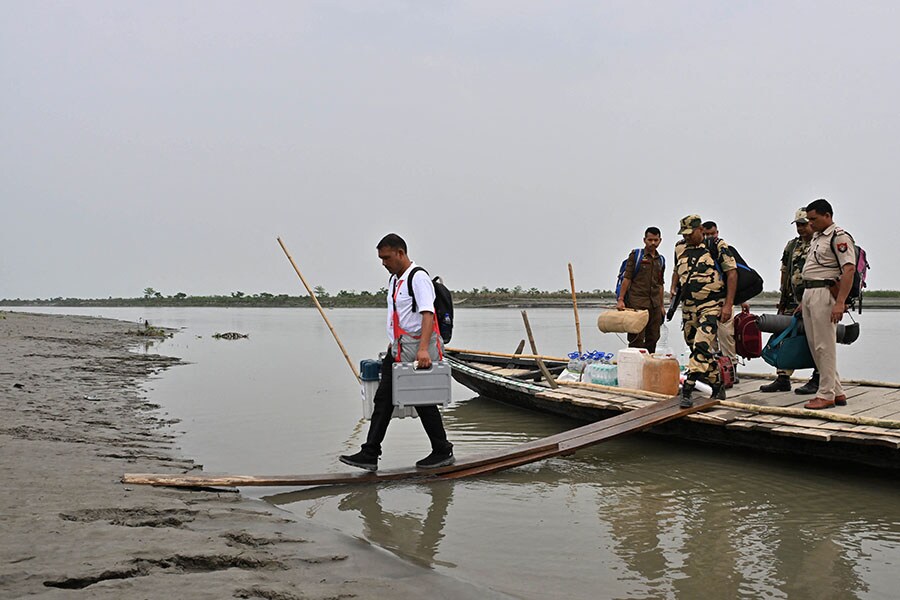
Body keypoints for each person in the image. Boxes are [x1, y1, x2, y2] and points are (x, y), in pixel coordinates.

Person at [340, 234, 454, 470]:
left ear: (400, 253)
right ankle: (370, 453)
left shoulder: (418, 278)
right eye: (381, 258)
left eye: (387, 257)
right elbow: (400, 316)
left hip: (416, 350)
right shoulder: (395, 280)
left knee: (423, 401)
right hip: (399, 349)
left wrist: (423, 349)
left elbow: (427, 314)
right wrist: (392, 343)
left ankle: (442, 450)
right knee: (383, 400)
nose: (383, 263)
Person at [671, 215, 737, 407]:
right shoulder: (679, 247)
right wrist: (673, 288)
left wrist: (728, 305)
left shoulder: (716, 246)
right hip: (688, 307)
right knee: (694, 346)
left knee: (702, 345)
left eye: (690, 233)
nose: (687, 237)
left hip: (711, 305)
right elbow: (677, 270)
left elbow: (732, 274)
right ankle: (718, 385)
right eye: (684, 234)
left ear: (700, 230)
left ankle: (688, 389)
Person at [799, 199, 856, 410]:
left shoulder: (839, 236)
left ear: (827, 216)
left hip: (825, 292)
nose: (810, 223)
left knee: (825, 345)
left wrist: (840, 302)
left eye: (814, 219)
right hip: (810, 292)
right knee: (815, 345)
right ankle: (837, 390)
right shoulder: (816, 237)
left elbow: (849, 269)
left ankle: (826, 394)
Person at [760, 208, 819, 393]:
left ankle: (818, 377)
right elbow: (785, 271)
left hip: (815, 300)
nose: (801, 228)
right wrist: (783, 297)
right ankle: (783, 377)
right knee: (783, 335)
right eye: (798, 225)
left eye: (804, 224)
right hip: (792, 300)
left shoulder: (820, 244)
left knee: (817, 338)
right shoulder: (792, 245)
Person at [701, 221, 746, 370]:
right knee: (708, 337)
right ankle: (712, 369)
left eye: (711, 234)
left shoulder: (725, 249)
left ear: (717, 233)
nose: (708, 237)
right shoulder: (698, 252)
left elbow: (736, 276)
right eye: (705, 234)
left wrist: (738, 301)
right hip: (705, 302)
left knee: (726, 334)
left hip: (724, 300)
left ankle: (731, 368)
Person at [616, 227, 666, 353]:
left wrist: (661, 306)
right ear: (644, 240)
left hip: (654, 305)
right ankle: (634, 367)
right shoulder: (636, 256)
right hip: (636, 303)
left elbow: (660, 284)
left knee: (653, 337)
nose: (653, 243)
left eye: (656, 240)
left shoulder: (661, 260)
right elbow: (627, 279)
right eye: (650, 240)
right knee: (636, 338)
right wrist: (621, 300)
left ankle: (649, 364)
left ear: (660, 240)